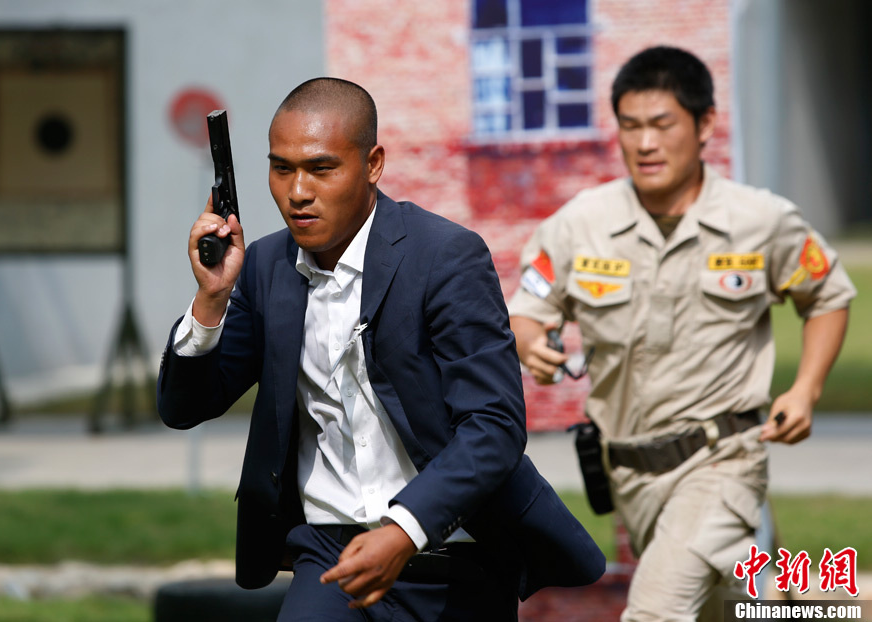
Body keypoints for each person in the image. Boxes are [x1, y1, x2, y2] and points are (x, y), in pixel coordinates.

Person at [157, 77, 604, 621]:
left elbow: (494, 426)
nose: (298, 191)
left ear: (373, 164)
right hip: (327, 558)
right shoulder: (265, 267)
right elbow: (184, 408)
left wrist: (403, 529)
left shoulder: (445, 258)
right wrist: (210, 300)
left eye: (321, 169)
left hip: (454, 555)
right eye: (282, 168)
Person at [509, 46, 855, 621]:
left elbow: (828, 296)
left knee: (655, 610)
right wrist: (531, 341)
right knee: (728, 608)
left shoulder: (759, 220)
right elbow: (531, 307)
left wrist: (807, 390)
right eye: (631, 126)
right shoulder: (581, 223)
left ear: (705, 125)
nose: (645, 143)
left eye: (662, 125)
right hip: (630, 476)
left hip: (724, 461)